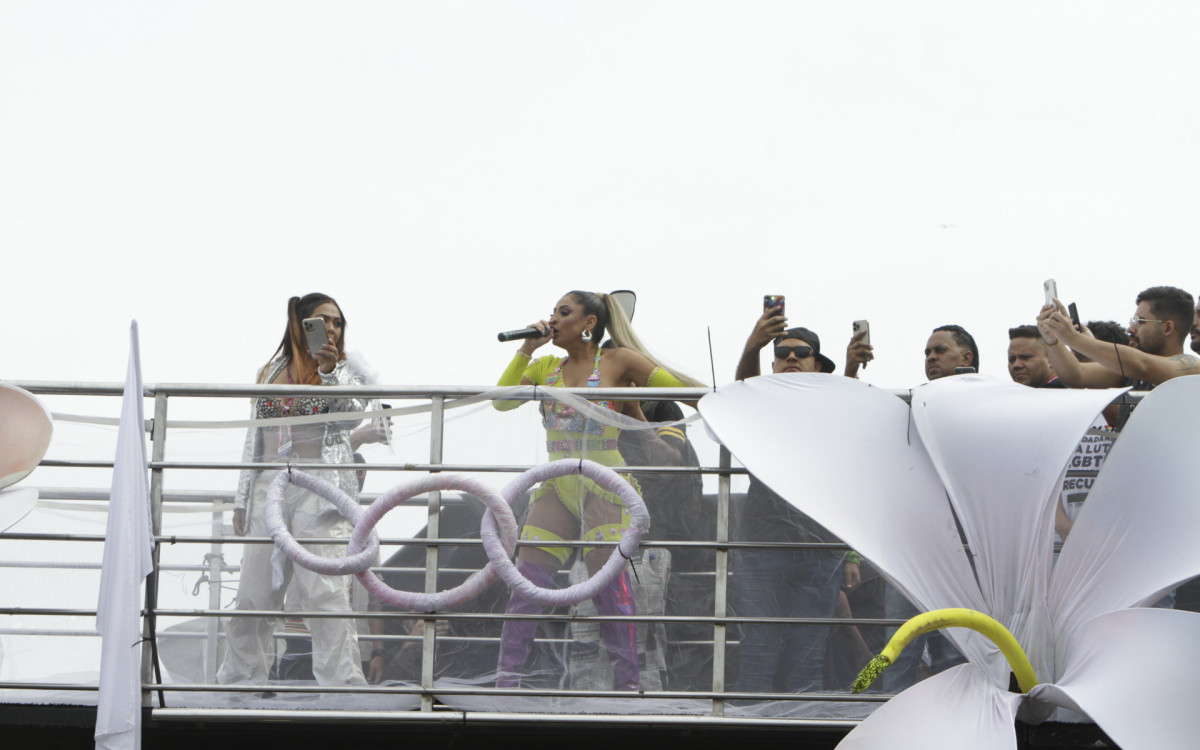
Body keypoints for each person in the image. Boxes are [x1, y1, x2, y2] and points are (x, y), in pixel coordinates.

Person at [493, 290, 702, 690]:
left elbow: (683, 391)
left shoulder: (618, 360)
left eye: (564, 312)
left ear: (589, 322)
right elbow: (501, 402)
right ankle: (507, 684)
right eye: (553, 312)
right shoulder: (545, 366)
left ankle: (626, 688)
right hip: (557, 481)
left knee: (607, 590)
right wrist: (526, 348)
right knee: (525, 585)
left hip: (606, 483)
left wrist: (727, 406)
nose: (553, 319)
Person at [218, 293, 373, 687]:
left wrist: (329, 372)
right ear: (300, 324)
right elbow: (255, 436)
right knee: (253, 595)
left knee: (326, 594)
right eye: (323, 320)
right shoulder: (270, 371)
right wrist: (242, 497)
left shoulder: (348, 370)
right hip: (267, 488)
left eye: (338, 322)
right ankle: (241, 681)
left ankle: (342, 686)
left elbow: (353, 415)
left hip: (320, 489)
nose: (331, 328)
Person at [731, 302, 849, 695]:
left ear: (818, 366)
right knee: (759, 649)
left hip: (820, 549)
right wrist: (753, 344)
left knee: (808, 655)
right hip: (762, 544)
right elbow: (740, 395)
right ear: (773, 364)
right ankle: (749, 727)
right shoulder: (760, 402)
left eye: (802, 353)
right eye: (782, 353)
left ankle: (801, 724)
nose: (791, 358)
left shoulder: (834, 406)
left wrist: (852, 367)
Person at [1038, 286, 1200, 429]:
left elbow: (1141, 365)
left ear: (1167, 328)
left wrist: (1074, 339)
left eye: (1139, 321)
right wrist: (1052, 339)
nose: (1131, 328)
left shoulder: (1190, 366)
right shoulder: (1129, 373)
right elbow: (1076, 374)